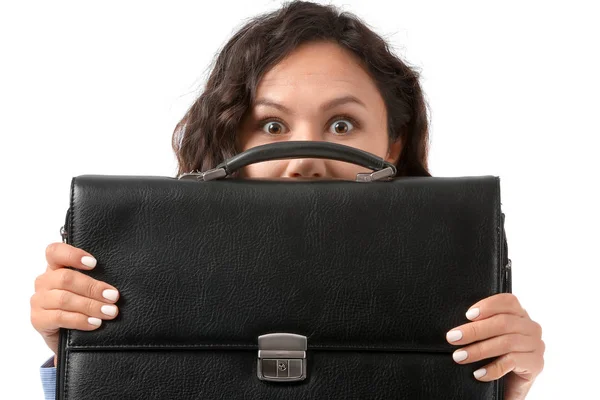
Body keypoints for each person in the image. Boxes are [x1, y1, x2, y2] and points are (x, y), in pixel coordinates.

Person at [30, 1, 545, 399]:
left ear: (393, 142)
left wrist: (503, 387)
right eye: (272, 125)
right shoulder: (151, 257)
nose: (304, 160)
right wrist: (81, 352)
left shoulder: (447, 260)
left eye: (342, 125)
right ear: (232, 139)